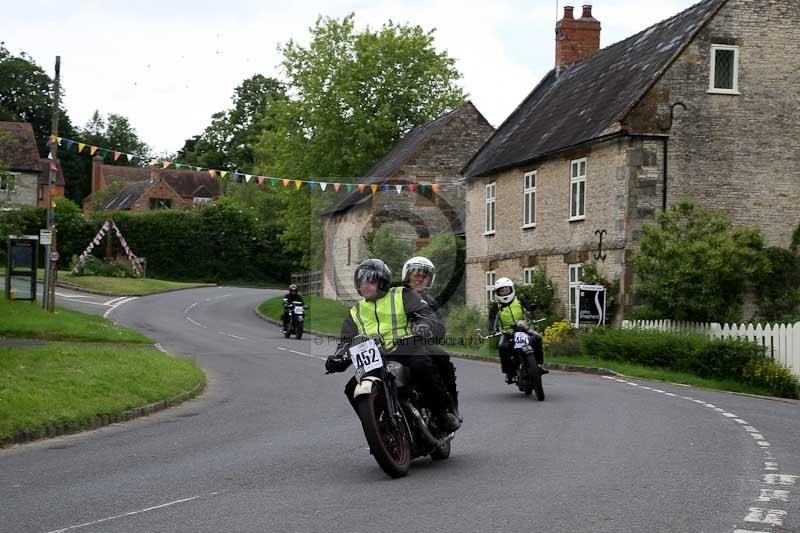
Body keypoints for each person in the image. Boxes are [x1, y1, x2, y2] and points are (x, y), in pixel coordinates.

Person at [325, 258, 461, 433]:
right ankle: (378, 429)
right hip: (375, 359)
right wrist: (337, 358)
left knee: (423, 365)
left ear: (382, 282)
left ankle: (442, 414)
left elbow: (425, 313)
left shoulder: (402, 295)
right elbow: (346, 341)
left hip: (405, 349)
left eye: (371, 280)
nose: (365, 285)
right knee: (352, 388)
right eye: (361, 281)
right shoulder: (355, 311)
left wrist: (424, 325)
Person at [401, 256, 460, 419]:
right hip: (396, 345)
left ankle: (449, 407)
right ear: (407, 276)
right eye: (416, 275)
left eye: (424, 276)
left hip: (420, 344)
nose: (420, 279)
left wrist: (427, 328)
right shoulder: (397, 296)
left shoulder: (429, 302)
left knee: (440, 358)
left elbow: (440, 329)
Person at [487, 277, 547, 384]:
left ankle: (539, 364)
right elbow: (492, 319)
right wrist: (491, 329)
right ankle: (509, 373)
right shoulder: (496, 305)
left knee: (537, 338)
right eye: (501, 291)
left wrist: (531, 311)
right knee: (502, 347)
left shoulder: (519, 299)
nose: (504, 292)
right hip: (507, 333)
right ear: (497, 293)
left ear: (511, 289)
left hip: (524, 329)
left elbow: (528, 308)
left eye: (506, 290)